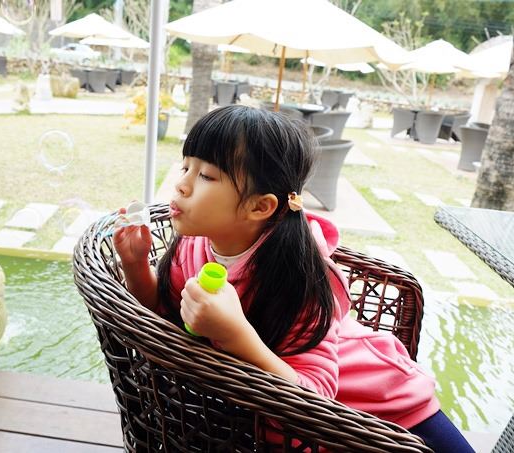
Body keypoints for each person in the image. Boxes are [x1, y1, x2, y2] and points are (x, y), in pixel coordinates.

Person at [113, 105, 473, 453]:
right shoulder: (192, 247)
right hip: (279, 420)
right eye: (185, 166)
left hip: (379, 397)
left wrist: (235, 334)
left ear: (259, 207)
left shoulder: (300, 280)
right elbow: (165, 313)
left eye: (206, 176)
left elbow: (316, 398)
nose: (181, 186)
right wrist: (135, 264)